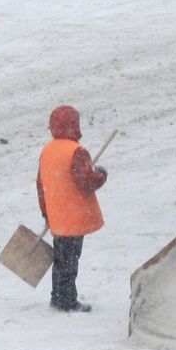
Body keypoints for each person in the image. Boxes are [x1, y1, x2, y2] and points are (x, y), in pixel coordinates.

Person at [36, 105, 108, 312]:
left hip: (57, 214)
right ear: (73, 125)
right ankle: (65, 300)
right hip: (74, 215)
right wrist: (101, 175)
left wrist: (45, 212)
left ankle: (58, 296)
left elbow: (40, 184)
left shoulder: (48, 150)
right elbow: (86, 182)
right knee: (69, 260)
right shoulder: (76, 151)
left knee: (61, 258)